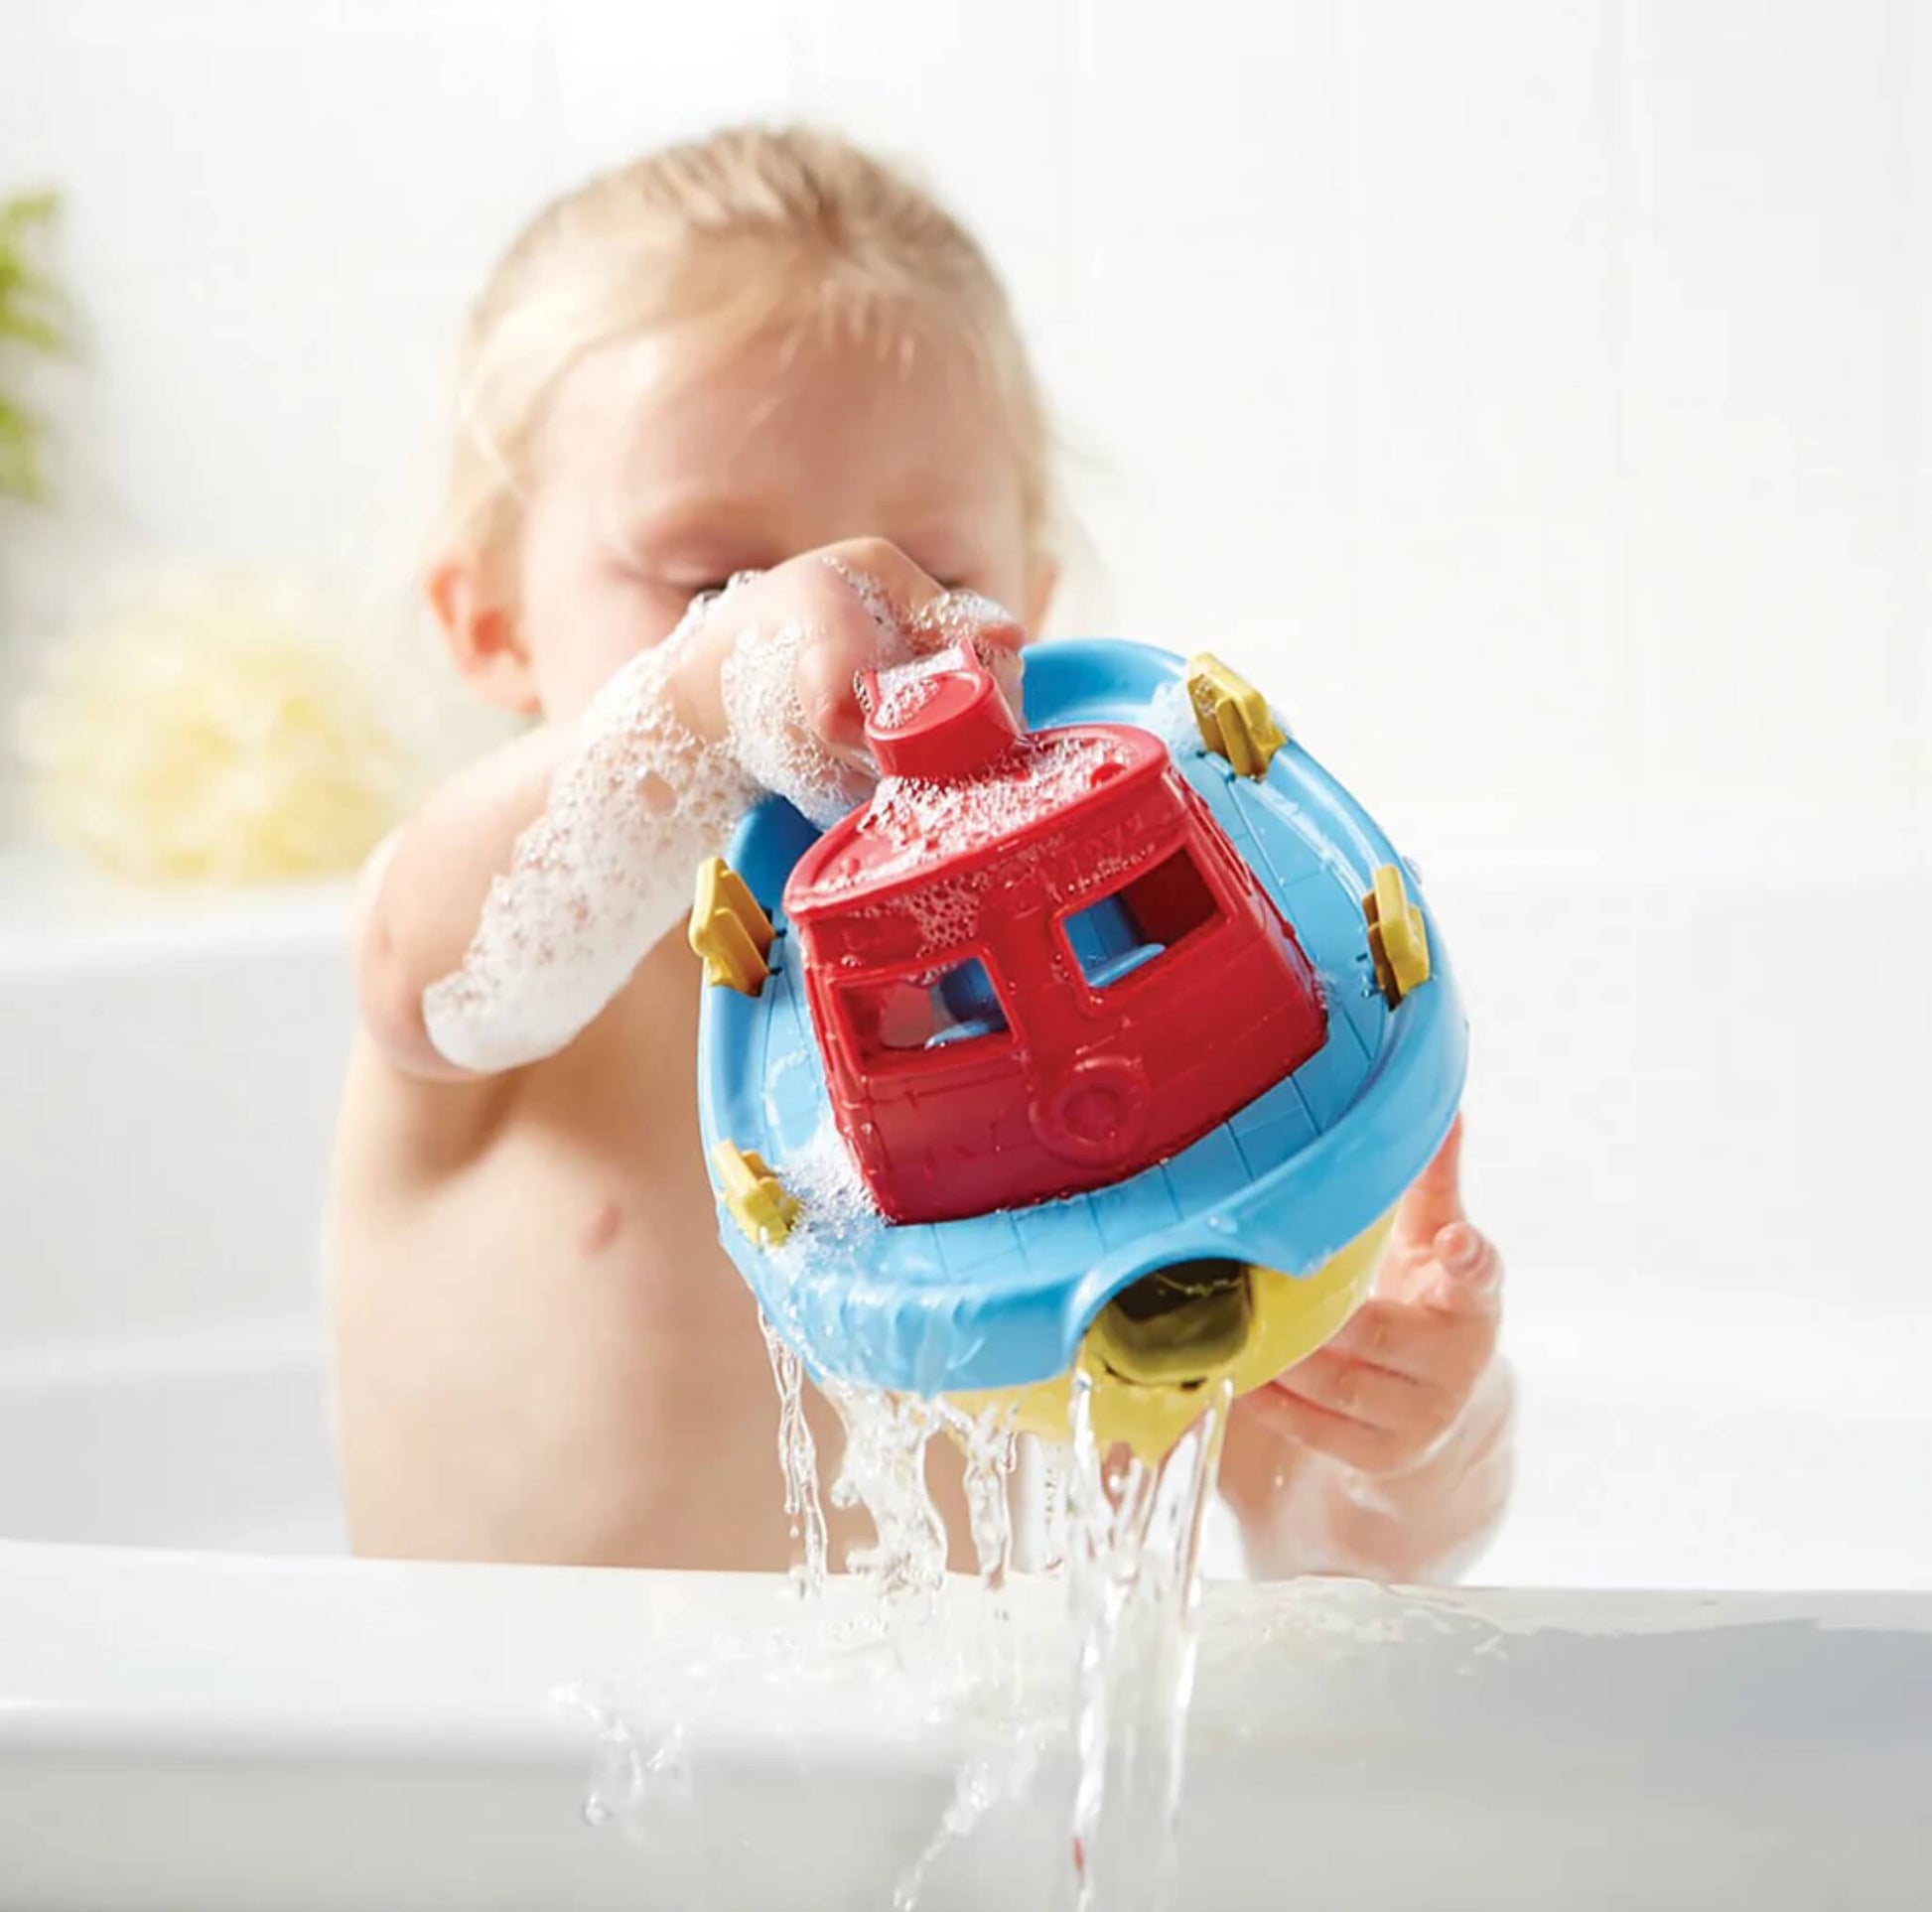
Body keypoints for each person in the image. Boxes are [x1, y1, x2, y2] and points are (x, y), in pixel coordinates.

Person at [327, 125, 1511, 1579]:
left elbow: (1320, 1550)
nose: (845, 641)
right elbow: (421, 971)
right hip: (504, 1787)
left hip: (979, 1799)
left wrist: (1409, 1438)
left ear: (1035, 601)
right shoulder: (504, 990)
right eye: (715, 583)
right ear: (488, 620)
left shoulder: (1112, 1029)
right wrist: (709, 702)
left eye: (935, 580)